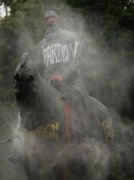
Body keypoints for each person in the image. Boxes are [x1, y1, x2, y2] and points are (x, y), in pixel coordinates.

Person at [35, 10, 89, 144]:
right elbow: (39, 69)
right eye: (47, 18)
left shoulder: (71, 37)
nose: (50, 20)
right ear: (44, 23)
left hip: (71, 84)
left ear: (57, 20)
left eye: (52, 17)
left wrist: (63, 77)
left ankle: (82, 141)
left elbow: (78, 59)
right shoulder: (41, 45)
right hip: (49, 87)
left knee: (75, 102)